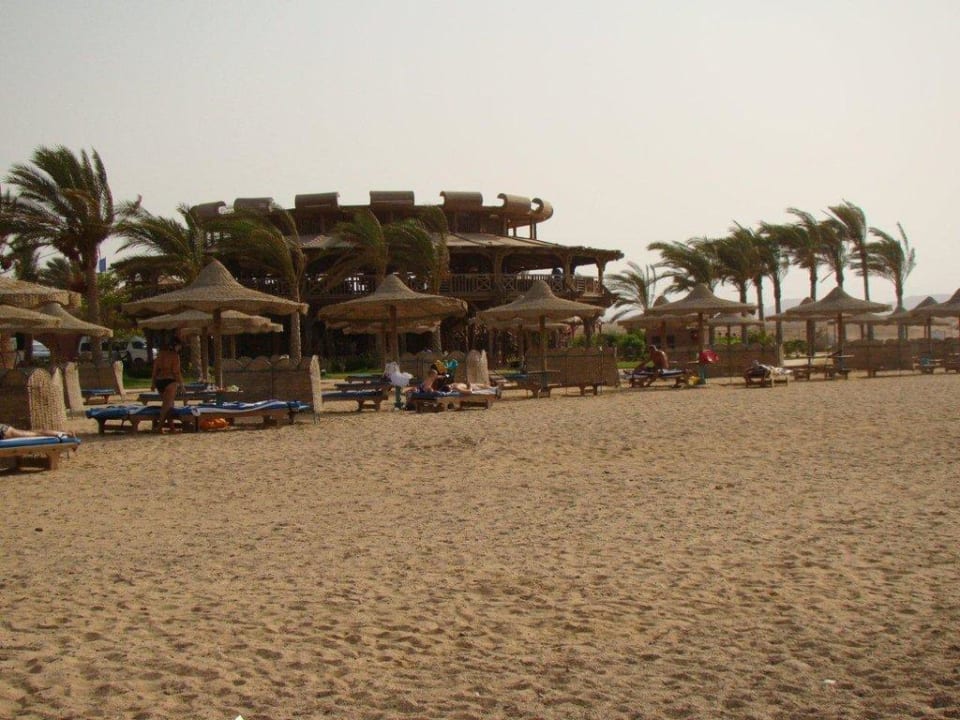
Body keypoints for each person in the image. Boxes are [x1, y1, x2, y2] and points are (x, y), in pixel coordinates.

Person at [151, 337, 184, 432]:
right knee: (166, 407)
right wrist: (182, 385)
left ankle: (172, 428)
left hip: (159, 381)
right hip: (170, 381)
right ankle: (159, 428)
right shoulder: (175, 356)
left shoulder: (160, 354)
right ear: (176, 346)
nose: (180, 348)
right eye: (179, 346)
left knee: (168, 405)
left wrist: (153, 383)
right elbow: (176, 372)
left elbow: (155, 370)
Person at [0, 424, 74, 440]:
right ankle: (63, 433)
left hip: (4, 431)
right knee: (37, 432)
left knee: (37, 433)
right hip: (4, 430)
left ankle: (64, 434)